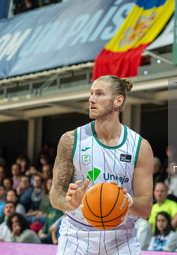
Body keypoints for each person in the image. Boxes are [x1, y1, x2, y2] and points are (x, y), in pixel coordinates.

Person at [50, 75, 154, 254]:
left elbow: (145, 210)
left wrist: (126, 201)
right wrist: (70, 203)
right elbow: (55, 195)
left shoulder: (140, 147)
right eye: (91, 94)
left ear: (117, 101)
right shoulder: (71, 140)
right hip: (77, 234)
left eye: (99, 94)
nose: (91, 99)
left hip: (122, 236)